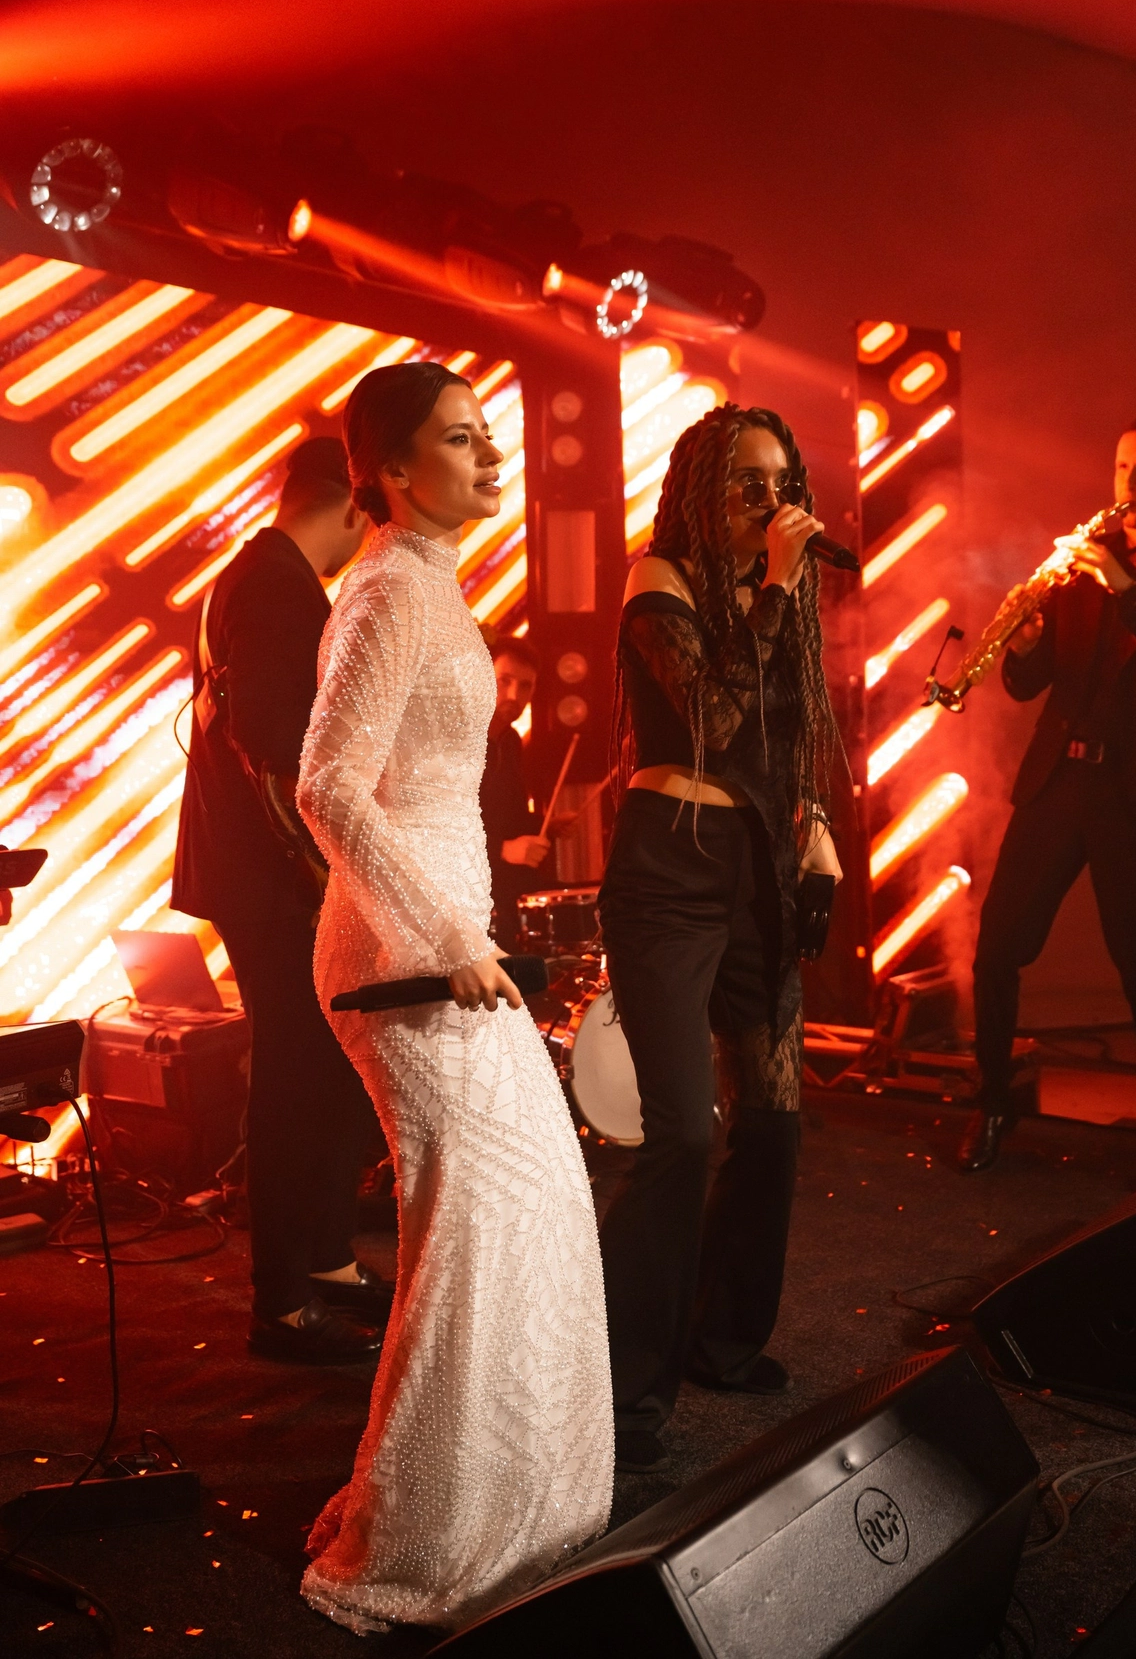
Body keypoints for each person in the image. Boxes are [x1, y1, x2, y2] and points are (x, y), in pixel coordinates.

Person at [296, 362, 612, 1636]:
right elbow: (327, 785)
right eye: (460, 439)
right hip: (402, 960)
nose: (491, 458)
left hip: (451, 947)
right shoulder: (385, 590)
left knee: (529, 1208)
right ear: (388, 470)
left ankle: (517, 1507)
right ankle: (420, 1537)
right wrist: (447, 937)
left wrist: (469, 932)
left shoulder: (431, 583)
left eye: (489, 437)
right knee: (474, 1225)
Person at [597, 402, 843, 1475]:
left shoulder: (776, 593)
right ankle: (618, 1388)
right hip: (671, 868)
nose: (769, 500)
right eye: (747, 481)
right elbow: (715, 723)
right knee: (680, 1137)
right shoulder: (660, 580)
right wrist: (775, 589)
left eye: (782, 482)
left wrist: (813, 824)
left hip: (758, 868)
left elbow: (781, 736)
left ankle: (724, 1339)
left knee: (773, 1122)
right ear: (703, 489)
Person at [172, 435, 392, 1366]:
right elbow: (273, 749)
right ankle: (283, 1303)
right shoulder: (275, 586)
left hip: (258, 873)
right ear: (349, 501)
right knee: (296, 1078)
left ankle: (324, 1263)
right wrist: (321, 872)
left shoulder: (252, 574)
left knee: (318, 1070)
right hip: (273, 879)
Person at [961, 414, 1136, 1174]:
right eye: (1121, 466)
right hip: (1059, 780)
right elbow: (1033, 683)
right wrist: (1024, 646)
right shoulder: (1086, 558)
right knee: (996, 947)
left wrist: (1125, 585)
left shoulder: (1117, 569)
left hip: (1134, 793)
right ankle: (992, 1105)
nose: (1129, 482)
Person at [479, 634, 551, 951]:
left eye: (525, 686)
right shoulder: (457, 741)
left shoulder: (511, 742)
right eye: (504, 681)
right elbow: (437, 827)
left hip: (504, 888)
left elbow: (510, 818)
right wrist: (503, 849)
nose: (514, 695)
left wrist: (547, 824)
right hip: (465, 894)